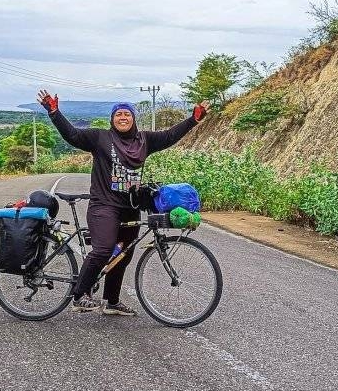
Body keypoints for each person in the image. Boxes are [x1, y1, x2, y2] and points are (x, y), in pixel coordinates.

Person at [38, 90, 210, 316]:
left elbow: (170, 136)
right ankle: (79, 295)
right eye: (118, 114)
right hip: (103, 205)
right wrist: (54, 112)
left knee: (124, 254)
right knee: (103, 250)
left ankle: (112, 301)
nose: (122, 118)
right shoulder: (100, 138)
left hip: (130, 207)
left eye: (126, 114)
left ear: (133, 118)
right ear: (112, 119)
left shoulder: (144, 140)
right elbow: (73, 135)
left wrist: (193, 119)